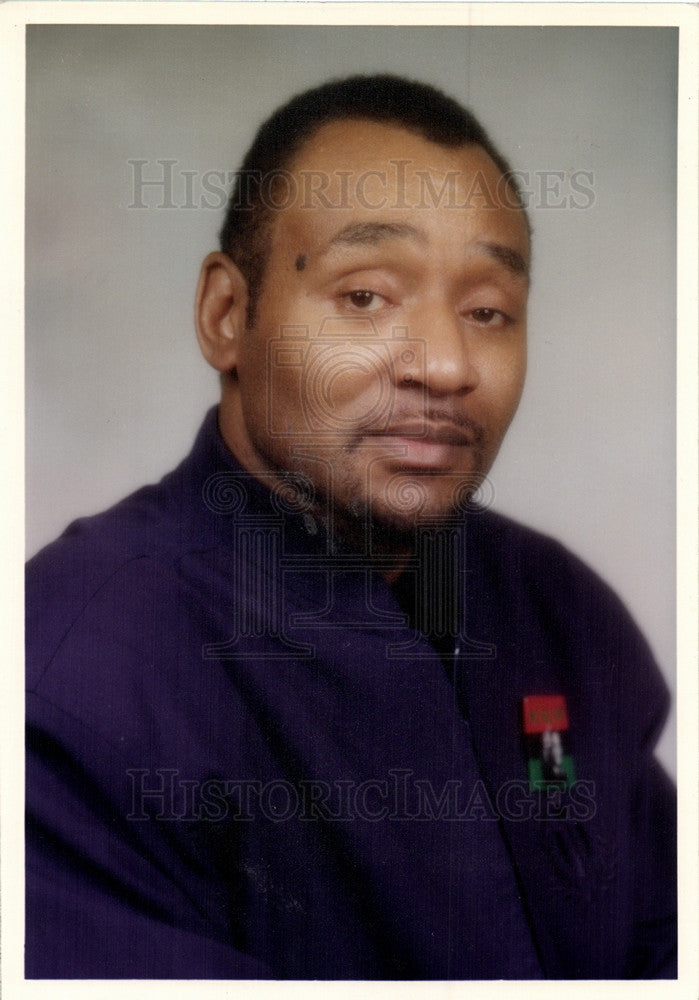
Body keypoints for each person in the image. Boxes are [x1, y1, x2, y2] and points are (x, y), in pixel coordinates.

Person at [25, 74, 676, 980]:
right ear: (227, 314)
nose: (445, 365)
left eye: (488, 312)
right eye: (366, 297)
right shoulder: (72, 667)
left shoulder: (559, 613)